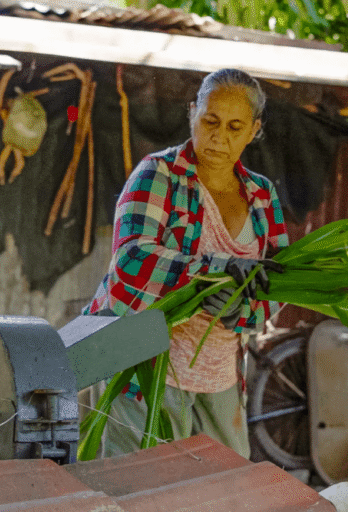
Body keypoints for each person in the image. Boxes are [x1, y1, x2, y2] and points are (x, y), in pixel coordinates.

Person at [85, 68, 289, 459]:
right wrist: (216, 272)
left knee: (225, 491)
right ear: (192, 112)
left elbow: (278, 282)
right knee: (141, 489)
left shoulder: (261, 195)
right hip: (142, 367)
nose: (219, 135)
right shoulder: (158, 174)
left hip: (220, 374)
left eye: (234, 126)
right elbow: (131, 259)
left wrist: (241, 312)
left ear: (253, 130)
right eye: (210, 120)